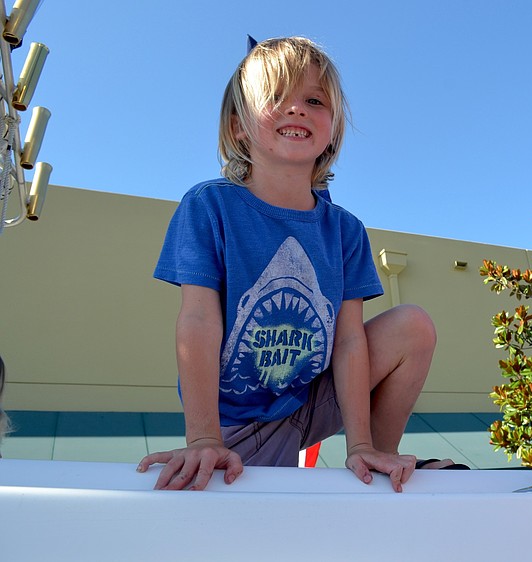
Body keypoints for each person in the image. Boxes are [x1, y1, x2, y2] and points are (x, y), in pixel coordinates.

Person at [137, 37, 458, 492]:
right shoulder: (208, 206)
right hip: (235, 425)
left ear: (333, 127)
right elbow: (198, 320)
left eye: (314, 100)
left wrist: (359, 443)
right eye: (274, 98)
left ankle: (375, 465)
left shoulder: (346, 231)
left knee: (414, 325)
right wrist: (203, 437)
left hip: (307, 402)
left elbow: (348, 342)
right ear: (238, 127)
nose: (296, 109)